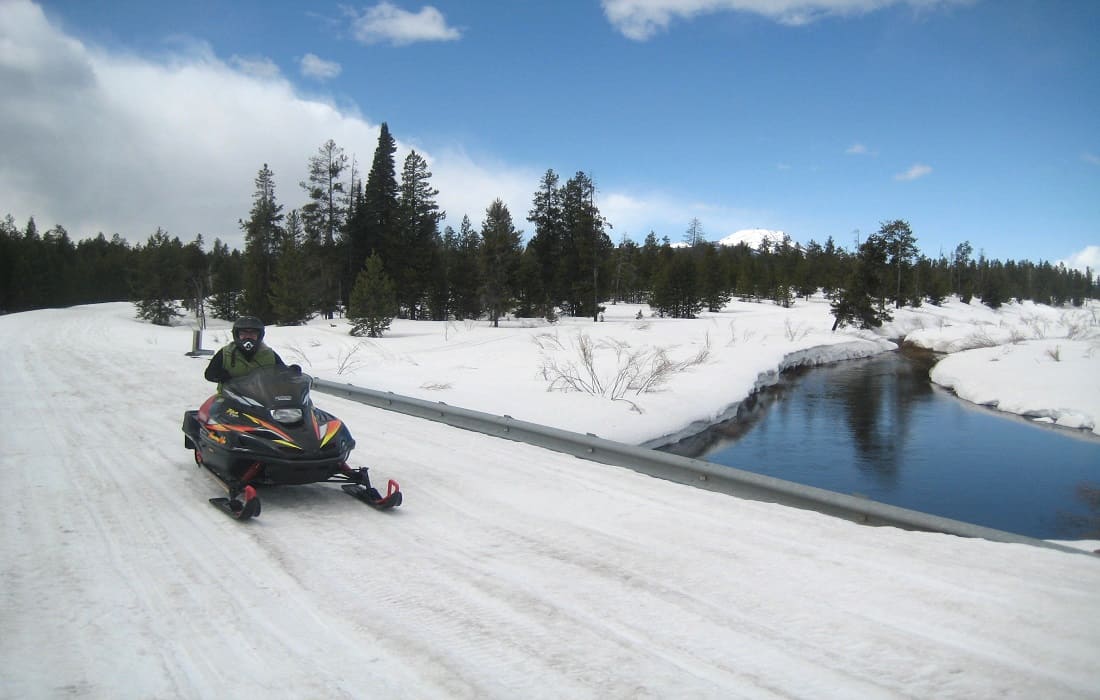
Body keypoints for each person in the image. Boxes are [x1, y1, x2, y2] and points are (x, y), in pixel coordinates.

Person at [204, 315, 287, 389]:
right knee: (216, 406)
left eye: (252, 334)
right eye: (243, 334)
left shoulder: (269, 354)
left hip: (262, 399)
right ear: (236, 335)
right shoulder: (226, 353)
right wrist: (221, 376)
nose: (248, 338)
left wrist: (292, 371)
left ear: (259, 335)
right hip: (230, 397)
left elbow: (283, 372)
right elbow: (209, 374)